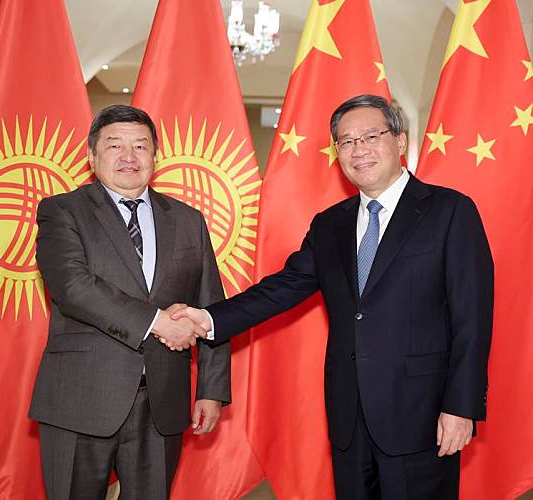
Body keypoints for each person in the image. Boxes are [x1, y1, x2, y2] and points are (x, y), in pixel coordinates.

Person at [169, 95, 494, 499]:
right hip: (348, 416)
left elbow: (473, 319)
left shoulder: (449, 211)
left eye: (370, 136)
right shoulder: (330, 224)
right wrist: (209, 319)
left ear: (399, 141)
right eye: (346, 141)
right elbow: (283, 288)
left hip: (422, 414)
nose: (359, 149)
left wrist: (461, 406)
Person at [29, 104, 231, 500]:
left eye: (140, 146)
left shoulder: (189, 220)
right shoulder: (62, 211)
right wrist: (157, 321)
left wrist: (211, 388)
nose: (128, 156)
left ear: (155, 156)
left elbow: (210, 305)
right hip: (80, 399)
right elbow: (73, 287)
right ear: (91, 156)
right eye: (115, 145)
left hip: (162, 403)